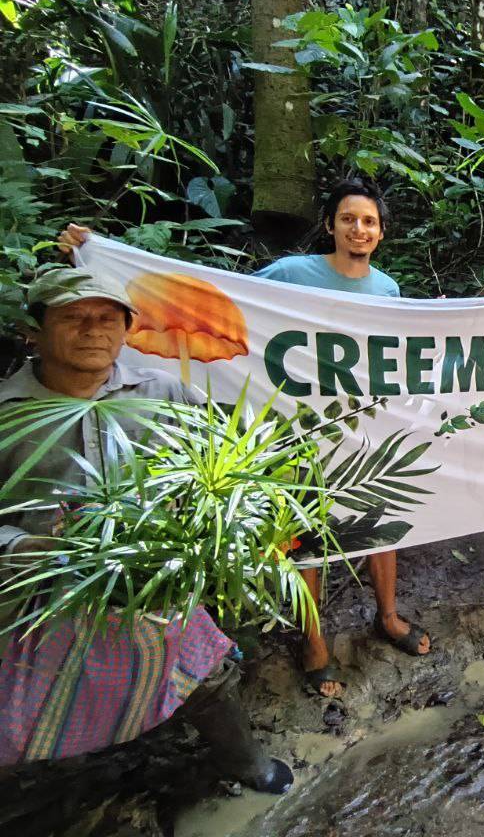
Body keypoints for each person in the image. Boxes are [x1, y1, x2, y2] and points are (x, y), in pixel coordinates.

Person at [58, 180, 430, 700]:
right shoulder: (291, 274)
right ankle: (314, 642)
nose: (358, 229)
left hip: (361, 429)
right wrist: (100, 258)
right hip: (296, 429)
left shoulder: (387, 290)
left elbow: (409, 347)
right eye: (349, 219)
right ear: (330, 225)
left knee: (381, 526)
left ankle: (387, 617)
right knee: (307, 542)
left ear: (381, 233)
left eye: (369, 222)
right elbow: (227, 303)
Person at [0, 269, 292, 793]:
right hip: (45, 598)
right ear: (34, 331)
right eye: (73, 317)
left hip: (157, 584)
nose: (93, 330)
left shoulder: (164, 393)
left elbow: (226, 463)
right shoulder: (7, 413)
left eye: (108, 319)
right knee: (23, 705)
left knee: (206, 677)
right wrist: (29, 545)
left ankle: (246, 764)